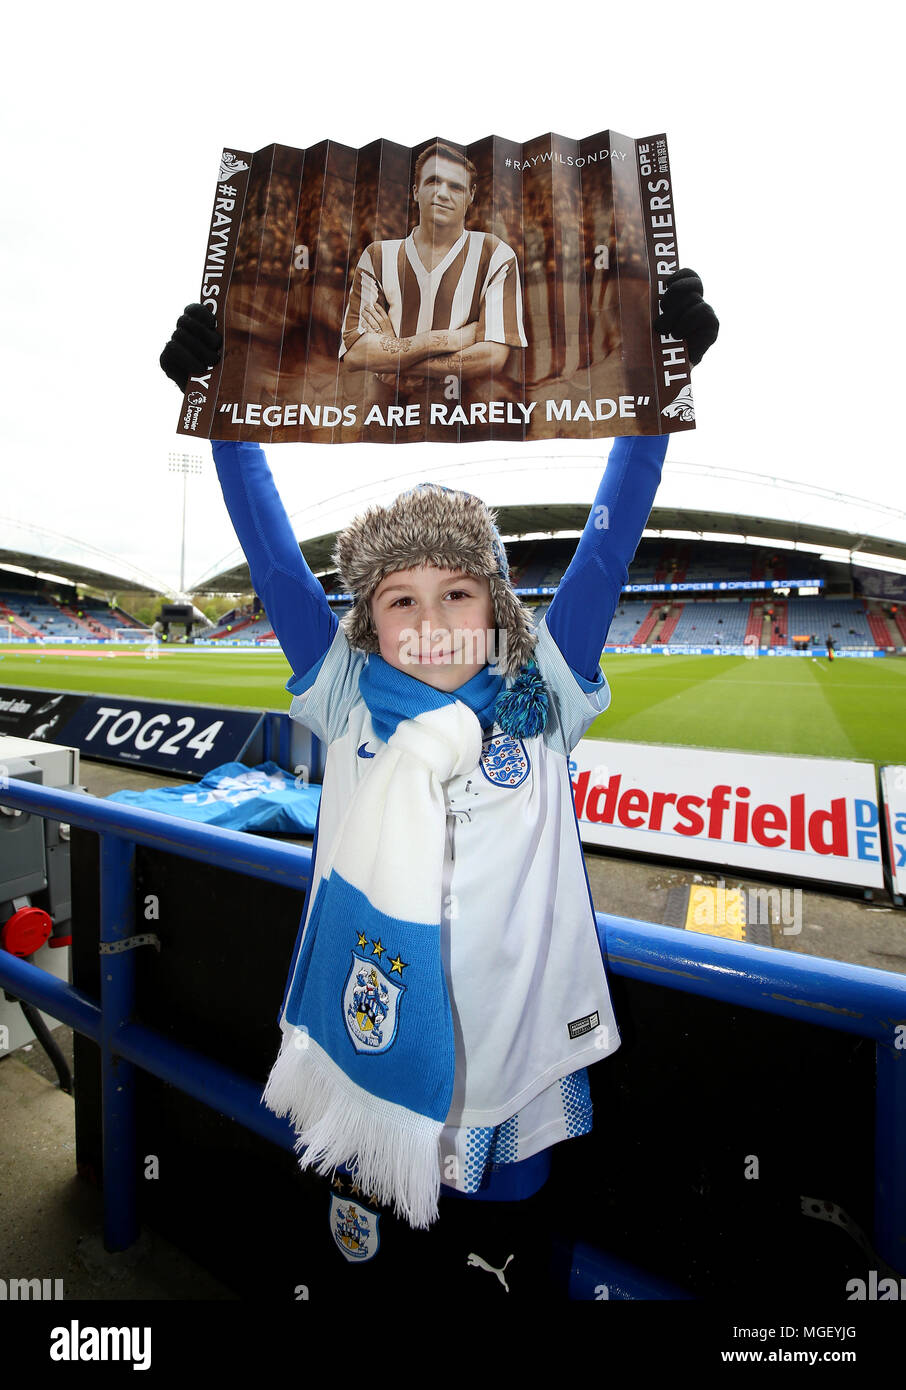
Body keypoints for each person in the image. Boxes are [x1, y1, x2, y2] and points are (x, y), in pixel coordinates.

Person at [160, 269, 718, 1293]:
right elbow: (276, 557)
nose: (429, 619)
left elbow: (609, 535)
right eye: (400, 597)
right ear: (367, 619)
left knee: (500, 1281)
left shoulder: (543, 691)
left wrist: (658, 391)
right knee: (370, 1282)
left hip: (508, 1074)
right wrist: (221, 410)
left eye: (458, 589)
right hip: (364, 1067)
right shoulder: (343, 697)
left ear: (496, 604)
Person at [338, 142, 527, 399]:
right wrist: (449, 339)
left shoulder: (495, 254)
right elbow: (356, 354)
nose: (442, 193)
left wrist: (393, 362)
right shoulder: (378, 256)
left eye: (456, 187)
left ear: (471, 195)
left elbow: (492, 357)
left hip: (466, 411)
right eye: (433, 182)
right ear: (416, 191)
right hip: (390, 411)